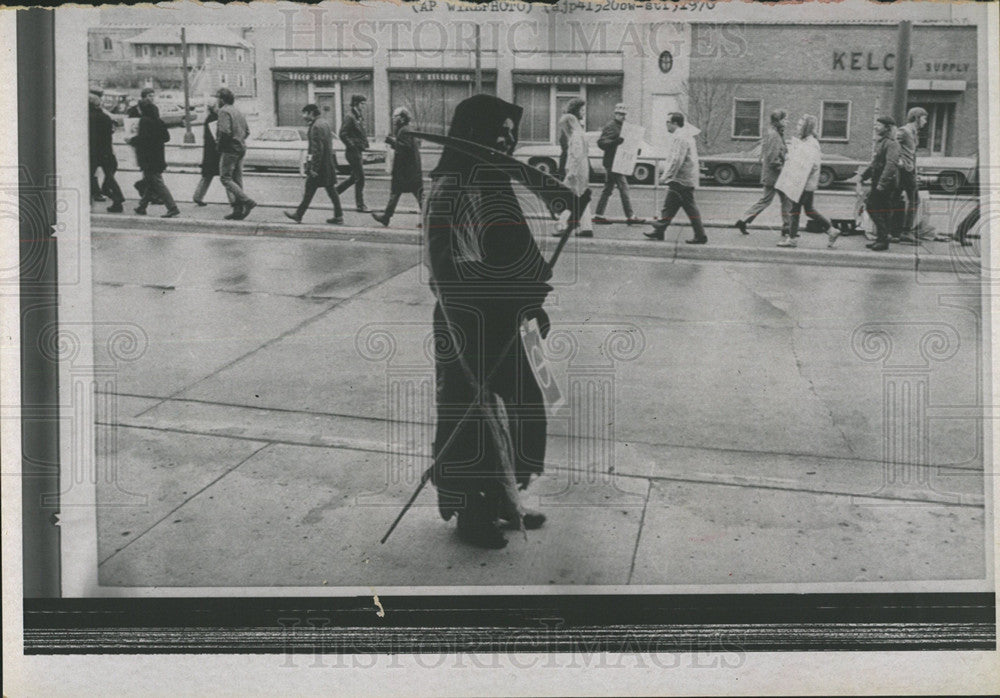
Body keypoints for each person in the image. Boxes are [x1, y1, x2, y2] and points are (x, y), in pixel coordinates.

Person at [424, 94, 553, 550]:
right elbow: (450, 273)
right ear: (473, 135)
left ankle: (505, 496)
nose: (507, 142)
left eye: (511, 135)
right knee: (468, 415)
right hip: (468, 324)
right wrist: (504, 304)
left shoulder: (492, 181)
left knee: (528, 405)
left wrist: (530, 298)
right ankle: (471, 511)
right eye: (498, 134)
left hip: (509, 319)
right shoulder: (451, 189)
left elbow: (515, 252)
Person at [643, 112, 707, 244]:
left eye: (668, 122)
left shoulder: (680, 138)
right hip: (684, 177)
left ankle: (699, 235)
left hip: (681, 178)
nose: (666, 125)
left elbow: (677, 160)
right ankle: (659, 229)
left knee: (686, 207)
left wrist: (666, 176)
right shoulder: (684, 135)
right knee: (672, 205)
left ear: (675, 123)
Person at [734, 109, 791, 238]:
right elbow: (772, 158)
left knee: (782, 200)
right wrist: (783, 169)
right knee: (769, 201)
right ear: (779, 121)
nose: (787, 121)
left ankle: (787, 227)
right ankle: (786, 228)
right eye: (785, 119)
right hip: (775, 175)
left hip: (775, 175)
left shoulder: (776, 134)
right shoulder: (774, 135)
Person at [779, 114, 834, 249]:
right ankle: (831, 230)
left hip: (804, 183)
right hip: (805, 183)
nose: (797, 127)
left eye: (799, 125)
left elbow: (811, 165)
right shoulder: (805, 142)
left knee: (795, 210)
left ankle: (792, 239)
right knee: (808, 210)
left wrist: (798, 176)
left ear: (806, 128)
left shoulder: (811, 144)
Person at [283, 104, 344, 225]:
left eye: (305, 113)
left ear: (311, 113)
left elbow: (317, 149)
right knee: (331, 191)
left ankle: (298, 215)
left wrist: (313, 168)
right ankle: (338, 216)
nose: (303, 116)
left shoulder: (315, 126)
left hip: (319, 166)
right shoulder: (324, 123)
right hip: (327, 164)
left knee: (309, 190)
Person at [372, 107, 422, 227]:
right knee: (414, 195)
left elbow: (404, 148)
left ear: (402, 118)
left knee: (398, 193)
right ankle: (386, 217)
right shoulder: (406, 129)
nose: (393, 119)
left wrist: (391, 141)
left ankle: (386, 217)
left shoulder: (403, 130)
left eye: (396, 116)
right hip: (410, 170)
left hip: (405, 171)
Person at [593, 103, 642, 225]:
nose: (623, 116)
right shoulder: (611, 126)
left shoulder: (624, 127)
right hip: (614, 163)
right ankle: (630, 216)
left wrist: (634, 149)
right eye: (620, 114)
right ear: (615, 114)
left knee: (608, 189)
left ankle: (599, 214)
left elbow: (625, 144)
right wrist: (615, 142)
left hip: (618, 162)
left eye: (624, 114)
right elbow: (601, 143)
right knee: (624, 188)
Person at [129, 100, 179, 218]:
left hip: (148, 158)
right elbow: (166, 138)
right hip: (158, 157)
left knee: (157, 183)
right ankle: (142, 206)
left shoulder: (144, 121)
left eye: (139, 108)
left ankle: (172, 207)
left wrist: (131, 140)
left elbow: (143, 139)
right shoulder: (159, 121)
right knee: (151, 183)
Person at [860, 116, 901, 252]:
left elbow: (891, 165)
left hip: (885, 183)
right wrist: (864, 175)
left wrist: (881, 184)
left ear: (887, 128)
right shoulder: (882, 142)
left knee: (872, 206)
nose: (876, 127)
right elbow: (875, 163)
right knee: (881, 210)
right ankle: (882, 239)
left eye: (879, 125)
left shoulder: (891, 143)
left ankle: (883, 239)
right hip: (879, 181)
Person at [554, 98, 593, 238]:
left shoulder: (575, 135)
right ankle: (587, 227)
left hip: (575, 171)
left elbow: (576, 155)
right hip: (582, 170)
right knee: (581, 196)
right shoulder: (581, 132)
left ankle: (562, 226)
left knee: (567, 198)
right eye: (581, 110)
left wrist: (571, 172)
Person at [215, 87, 256, 220]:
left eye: (217, 98)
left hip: (230, 148)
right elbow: (247, 131)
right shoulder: (238, 111)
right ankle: (238, 211)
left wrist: (220, 146)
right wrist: (239, 139)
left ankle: (247, 201)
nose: (217, 101)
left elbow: (225, 132)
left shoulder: (223, 111)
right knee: (237, 179)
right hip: (241, 147)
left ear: (222, 99)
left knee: (225, 178)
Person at [192, 103, 235, 208]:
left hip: (209, 153)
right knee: (227, 176)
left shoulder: (209, 119)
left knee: (207, 176)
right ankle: (233, 200)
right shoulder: (217, 119)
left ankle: (198, 196)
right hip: (217, 152)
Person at [895, 107, 928, 243]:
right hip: (904, 171)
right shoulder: (905, 131)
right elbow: (892, 144)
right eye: (924, 118)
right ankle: (905, 232)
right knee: (914, 200)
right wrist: (899, 161)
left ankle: (896, 231)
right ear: (916, 117)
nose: (925, 122)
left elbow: (911, 153)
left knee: (897, 199)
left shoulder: (914, 132)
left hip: (909, 171)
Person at [88, 91, 125, 213]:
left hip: (93, 152)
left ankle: (88, 202)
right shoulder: (105, 117)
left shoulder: (87, 118)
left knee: (88, 177)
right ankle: (117, 199)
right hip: (106, 150)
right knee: (109, 177)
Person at [336, 94, 370, 212]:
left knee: (354, 177)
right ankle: (360, 205)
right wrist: (352, 146)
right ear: (356, 103)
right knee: (360, 178)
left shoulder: (357, 116)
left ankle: (336, 192)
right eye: (362, 104)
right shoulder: (350, 117)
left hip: (357, 151)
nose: (364, 106)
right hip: (352, 152)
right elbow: (342, 134)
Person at [556, 107, 575, 180]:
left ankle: (562, 174)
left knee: (564, 156)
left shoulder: (566, 123)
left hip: (565, 141)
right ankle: (562, 174)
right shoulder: (566, 123)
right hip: (566, 142)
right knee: (565, 156)